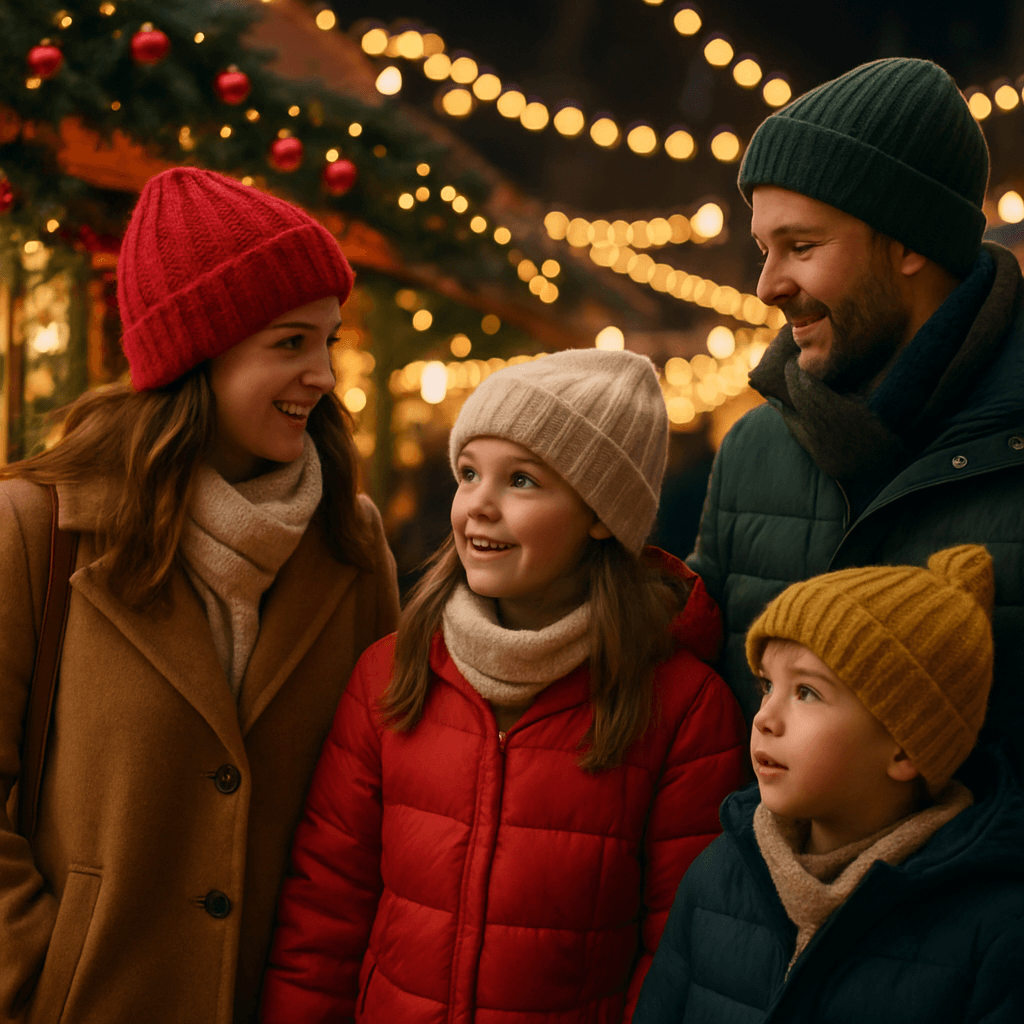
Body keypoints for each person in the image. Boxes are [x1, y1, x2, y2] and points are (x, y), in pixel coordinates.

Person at [0, 167, 400, 1024]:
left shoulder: (351, 542)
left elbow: (378, 805)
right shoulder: (36, 527)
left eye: (328, 341)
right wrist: (38, 983)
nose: (323, 374)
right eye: (290, 343)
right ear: (199, 349)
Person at [259, 349, 748, 1023]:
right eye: (468, 474)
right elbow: (325, 910)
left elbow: (679, 951)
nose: (479, 506)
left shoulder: (682, 706)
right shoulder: (391, 673)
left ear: (601, 512)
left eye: (521, 480)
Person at [688, 57, 1024, 771]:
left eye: (802, 247)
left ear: (909, 243)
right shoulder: (750, 451)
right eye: (764, 249)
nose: (769, 285)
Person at [634, 545, 1024, 1024]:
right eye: (766, 686)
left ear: (905, 747)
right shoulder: (718, 876)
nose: (765, 718)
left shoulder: (996, 930)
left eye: (806, 692)